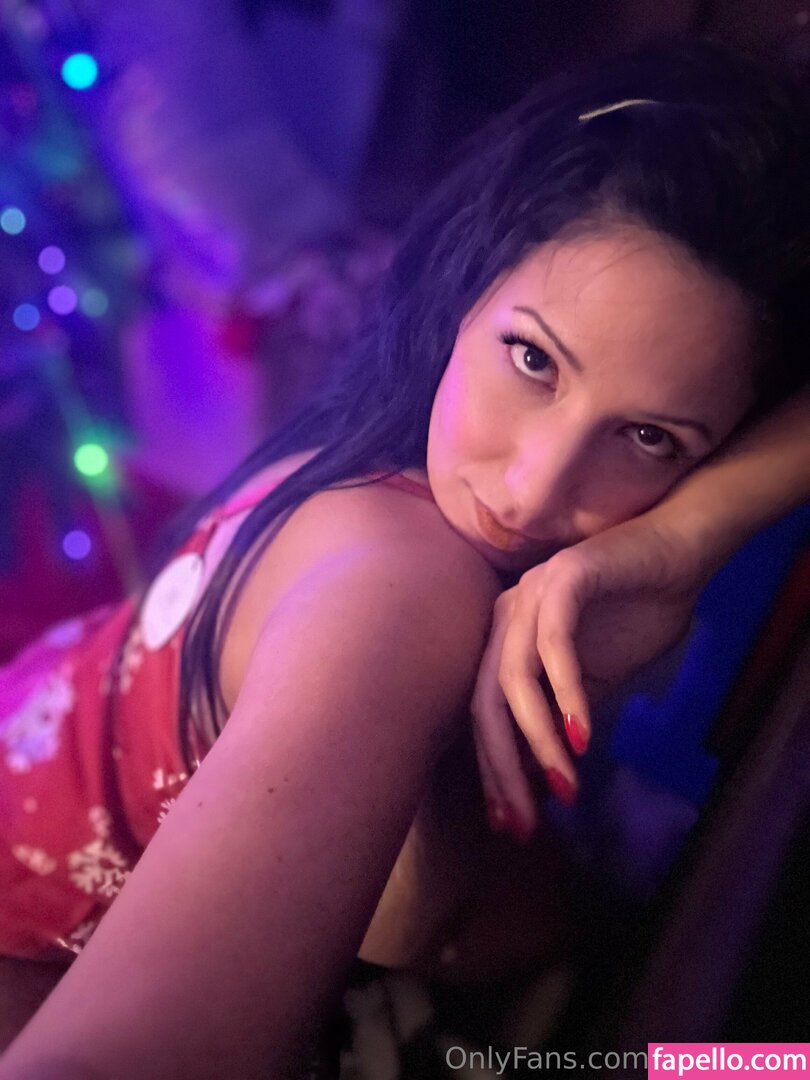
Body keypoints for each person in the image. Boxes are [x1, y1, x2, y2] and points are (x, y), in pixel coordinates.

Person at [1, 36, 809, 1080]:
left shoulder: (368, 433)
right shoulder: (404, 588)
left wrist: (689, 535)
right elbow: (411, 927)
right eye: (533, 360)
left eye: (651, 438)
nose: (533, 492)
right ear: (467, 284)